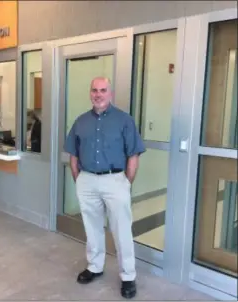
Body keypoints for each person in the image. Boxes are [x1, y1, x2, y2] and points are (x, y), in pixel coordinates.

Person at [64, 77, 145, 299]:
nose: (98, 94)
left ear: (110, 93)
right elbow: (73, 154)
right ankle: (95, 267)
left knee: (121, 230)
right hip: (87, 179)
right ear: (90, 93)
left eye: (103, 90)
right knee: (92, 227)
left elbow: (133, 155)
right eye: (94, 90)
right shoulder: (80, 121)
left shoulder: (124, 120)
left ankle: (128, 276)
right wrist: (79, 179)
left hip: (115, 180)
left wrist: (126, 182)